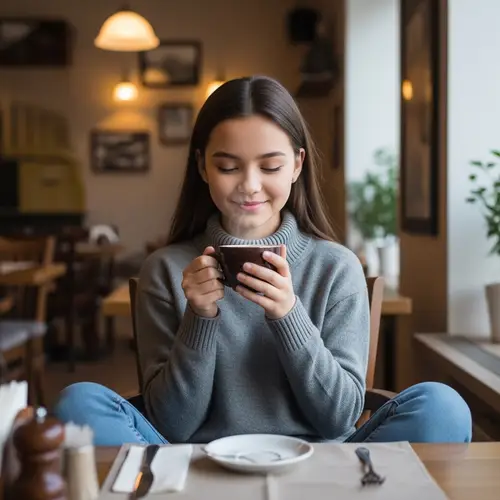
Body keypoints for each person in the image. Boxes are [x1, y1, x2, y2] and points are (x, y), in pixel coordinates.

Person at [54, 76, 471, 446]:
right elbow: (173, 426)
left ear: (297, 165)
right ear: (202, 166)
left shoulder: (336, 267)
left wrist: (289, 315)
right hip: (199, 468)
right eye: (228, 166)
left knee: (443, 408)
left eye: (270, 165)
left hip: (320, 470)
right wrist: (200, 317)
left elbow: (339, 418)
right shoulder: (166, 270)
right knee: (78, 403)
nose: (250, 186)